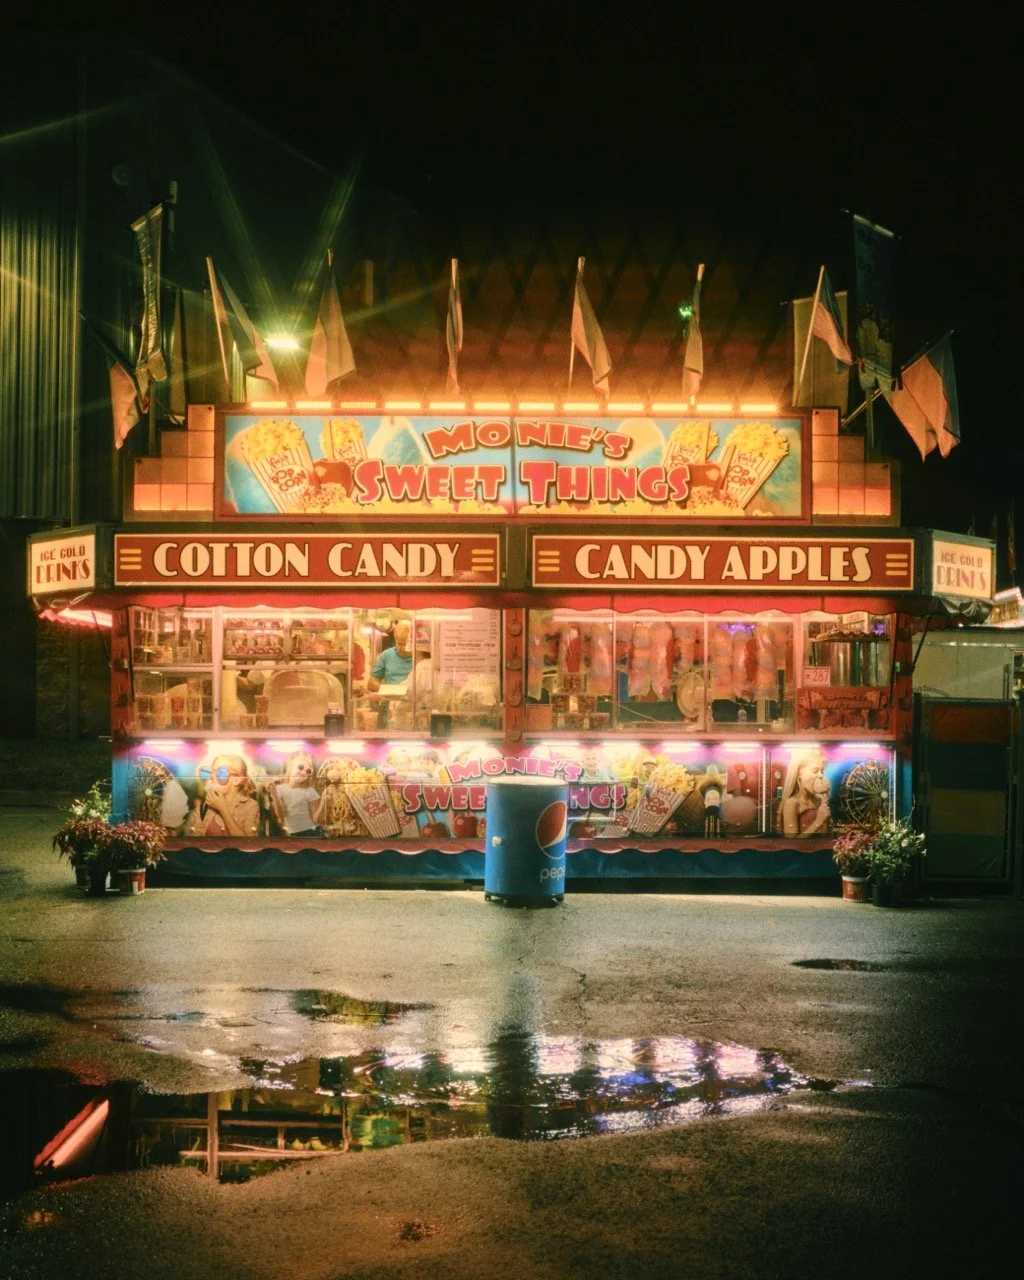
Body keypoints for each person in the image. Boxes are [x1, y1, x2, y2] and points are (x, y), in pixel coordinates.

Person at [186, 753, 260, 838]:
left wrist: (223, 809)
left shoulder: (250, 806)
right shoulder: (203, 807)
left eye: (220, 772)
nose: (212, 777)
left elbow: (249, 845)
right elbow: (194, 844)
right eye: (212, 772)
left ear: (236, 780)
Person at [265, 751, 321, 837]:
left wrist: (324, 801)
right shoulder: (280, 789)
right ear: (291, 767)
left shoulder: (310, 791)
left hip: (310, 832)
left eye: (308, 771)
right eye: (301, 767)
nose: (304, 772)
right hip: (291, 833)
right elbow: (281, 815)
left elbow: (316, 819)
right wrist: (274, 794)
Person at [780, 749, 831, 837]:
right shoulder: (792, 803)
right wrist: (818, 822)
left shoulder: (818, 801)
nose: (820, 775)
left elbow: (825, 835)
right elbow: (791, 843)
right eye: (815, 771)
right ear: (799, 773)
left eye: (822, 771)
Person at [367, 620, 414, 691]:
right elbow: (371, 684)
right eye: (399, 644)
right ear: (395, 639)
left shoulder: (420, 657)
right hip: (390, 700)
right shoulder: (387, 655)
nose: (402, 648)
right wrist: (392, 690)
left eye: (405, 644)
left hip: (411, 700)